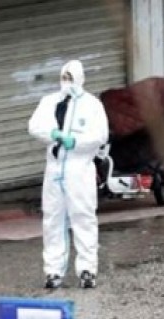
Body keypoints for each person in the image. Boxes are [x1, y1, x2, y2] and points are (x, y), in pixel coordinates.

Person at [28, 59, 109, 289]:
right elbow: (34, 126)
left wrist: (76, 142)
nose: (67, 82)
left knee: (83, 219)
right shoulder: (50, 102)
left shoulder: (92, 105)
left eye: (70, 78)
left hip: (79, 169)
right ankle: (53, 271)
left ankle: (87, 270)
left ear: (80, 79)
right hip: (54, 170)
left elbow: (100, 135)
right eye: (64, 77)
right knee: (52, 220)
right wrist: (53, 133)